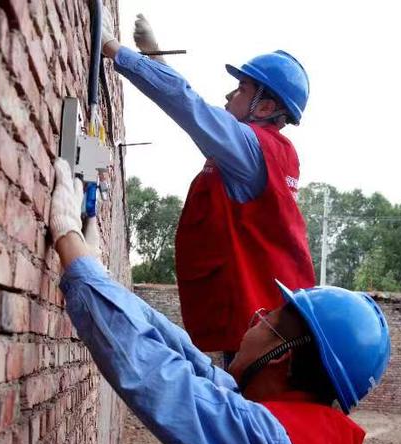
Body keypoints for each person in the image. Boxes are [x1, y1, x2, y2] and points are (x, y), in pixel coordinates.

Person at [49, 158, 391, 444]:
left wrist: (67, 235)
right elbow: (179, 353)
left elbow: (154, 373)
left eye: (269, 319)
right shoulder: (301, 432)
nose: (256, 318)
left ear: (283, 356)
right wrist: (97, 276)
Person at [100, 13, 316, 360]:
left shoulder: (251, 149)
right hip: (260, 325)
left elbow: (191, 108)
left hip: (259, 334)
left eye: (242, 88)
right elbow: (198, 112)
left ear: (266, 106)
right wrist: (157, 57)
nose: (229, 93)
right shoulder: (264, 150)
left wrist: (114, 49)